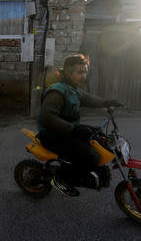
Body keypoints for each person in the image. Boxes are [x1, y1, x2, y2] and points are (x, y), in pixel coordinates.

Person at [37, 54, 123, 196]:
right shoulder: (57, 92)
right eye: (80, 72)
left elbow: (88, 99)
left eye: (85, 72)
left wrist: (107, 102)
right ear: (69, 73)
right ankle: (59, 179)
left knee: (99, 141)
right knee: (89, 156)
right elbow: (47, 118)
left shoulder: (73, 88)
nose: (84, 76)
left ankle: (91, 173)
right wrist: (74, 129)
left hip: (67, 131)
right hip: (52, 135)